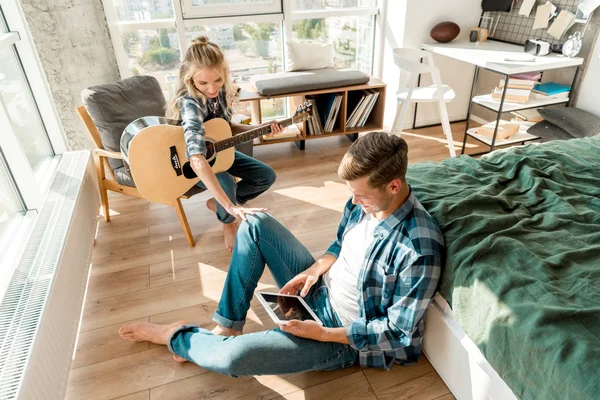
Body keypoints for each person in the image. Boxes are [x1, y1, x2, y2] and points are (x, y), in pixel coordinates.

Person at [119, 132, 445, 376]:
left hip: (340, 337)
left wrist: (322, 333)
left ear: (394, 186)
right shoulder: (361, 202)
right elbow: (339, 246)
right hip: (315, 291)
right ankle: (229, 323)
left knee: (233, 360)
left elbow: (395, 332)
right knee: (255, 221)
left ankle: (174, 335)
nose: (354, 203)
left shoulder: (419, 249)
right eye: (352, 195)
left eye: (361, 196)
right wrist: (314, 270)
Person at [170, 35, 282, 251]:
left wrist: (263, 128)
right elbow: (196, 159)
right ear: (189, 78)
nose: (212, 89)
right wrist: (231, 209)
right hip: (187, 166)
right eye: (203, 83)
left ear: (225, 74)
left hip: (217, 154)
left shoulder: (221, 93)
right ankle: (227, 221)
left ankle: (218, 205)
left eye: (218, 80)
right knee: (227, 182)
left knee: (266, 176)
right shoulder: (190, 102)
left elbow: (226, 129)